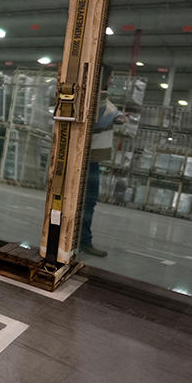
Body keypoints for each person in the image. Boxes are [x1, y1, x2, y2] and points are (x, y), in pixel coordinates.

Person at [80, 65, 126, 257]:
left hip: (91, 156)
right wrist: (115, 117)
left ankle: (81, 239)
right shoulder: (97, 96)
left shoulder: (95, 96)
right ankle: (84, 241)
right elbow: (96, 120)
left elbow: (103, 115)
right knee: (89, 200)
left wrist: (117, 117)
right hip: (89, 156)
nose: (112, 80)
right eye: (111, 77)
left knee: (87, 200)